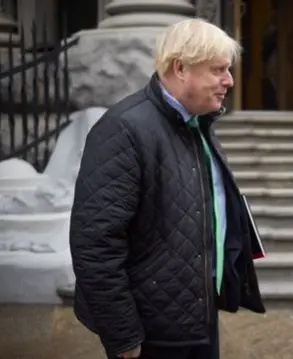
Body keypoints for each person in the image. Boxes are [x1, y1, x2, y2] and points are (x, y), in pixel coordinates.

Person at [69, 19, 265, 359]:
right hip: (151, 335)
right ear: (181, 68)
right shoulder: (123, 129)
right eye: (218, 70)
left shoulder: (198, 123)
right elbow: (95, 245)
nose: (229, 81)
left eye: (228, 70)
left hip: (197, 318)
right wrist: (123, 334)